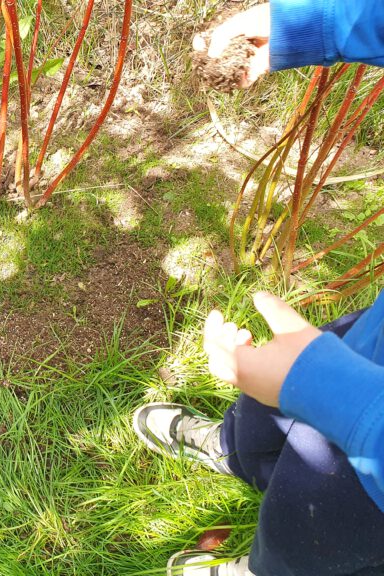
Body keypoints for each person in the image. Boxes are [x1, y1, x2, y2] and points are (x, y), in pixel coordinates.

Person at [133, 2, 384, 575]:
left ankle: (257, 570)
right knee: (267, 414)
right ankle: (237, 453)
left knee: (309, 528)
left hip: (371, 474)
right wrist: (309, 27)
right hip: (374, 342)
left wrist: (327, 384)